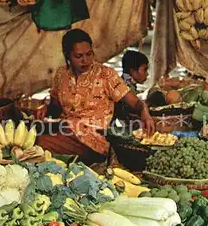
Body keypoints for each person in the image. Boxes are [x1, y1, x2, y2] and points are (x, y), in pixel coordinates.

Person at [37, 29, 155, 164]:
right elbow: (55, 108)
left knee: (41, 144)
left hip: (94, 140)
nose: (85, 60)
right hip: (66, 131)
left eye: (89, 54)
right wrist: (45, 109)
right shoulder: (61, 74)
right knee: (33, 136)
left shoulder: (106, 75)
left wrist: (145, 113)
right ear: (67, 56)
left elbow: (135, 103)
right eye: (79, 56)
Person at [114, 50, 150, 122]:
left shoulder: (124, 81)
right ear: (133, 71)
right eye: (145, 70)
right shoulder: (126, 86)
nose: (147, 74)